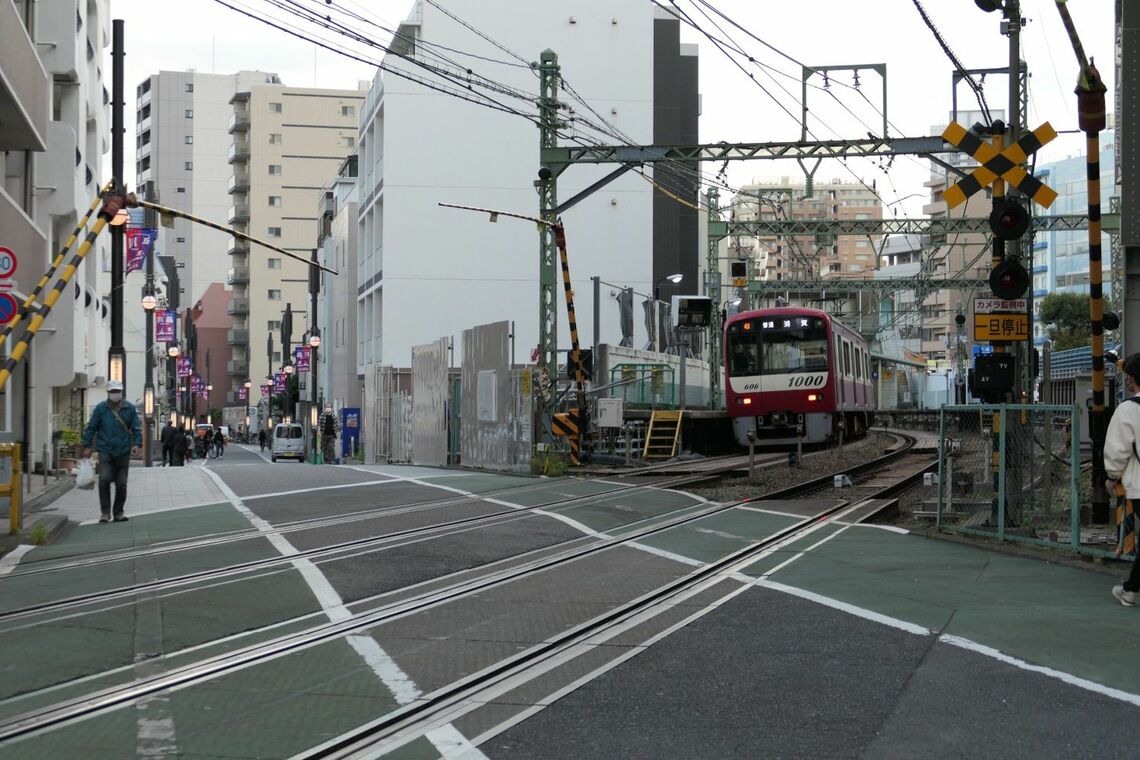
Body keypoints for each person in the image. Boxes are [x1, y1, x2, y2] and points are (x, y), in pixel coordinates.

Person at [1106, 353, 1140, 606]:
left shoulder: (1128, 410)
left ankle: (1130, 589)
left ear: (1131, 378)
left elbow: (1118, 450)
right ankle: (1130, 588)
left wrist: (1112, 477)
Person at [81, 380, 141, 523]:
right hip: (105, 450)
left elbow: (136, 428)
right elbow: (91, 428)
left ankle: (118, 512)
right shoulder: (101, 409)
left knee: (121, 484)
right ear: (108, 393)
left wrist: (137, 444)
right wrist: (87, 445)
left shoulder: (130, 408)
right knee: (104, 479)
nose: (115, 394)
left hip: (123, 450)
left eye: (117, 391)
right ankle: (105, 513)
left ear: (121, 392)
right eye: (113, 391)